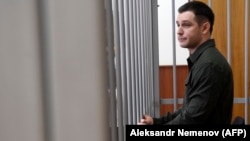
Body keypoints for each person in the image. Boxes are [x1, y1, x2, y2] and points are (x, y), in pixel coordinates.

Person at [138, 1, 234, 124]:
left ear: (205, 27)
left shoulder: (209, 65)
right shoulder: (202, 59)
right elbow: (188, 110)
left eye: (186, 25)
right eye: (178, 25)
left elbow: (190, 119)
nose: (179, 31)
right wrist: (156, 122)